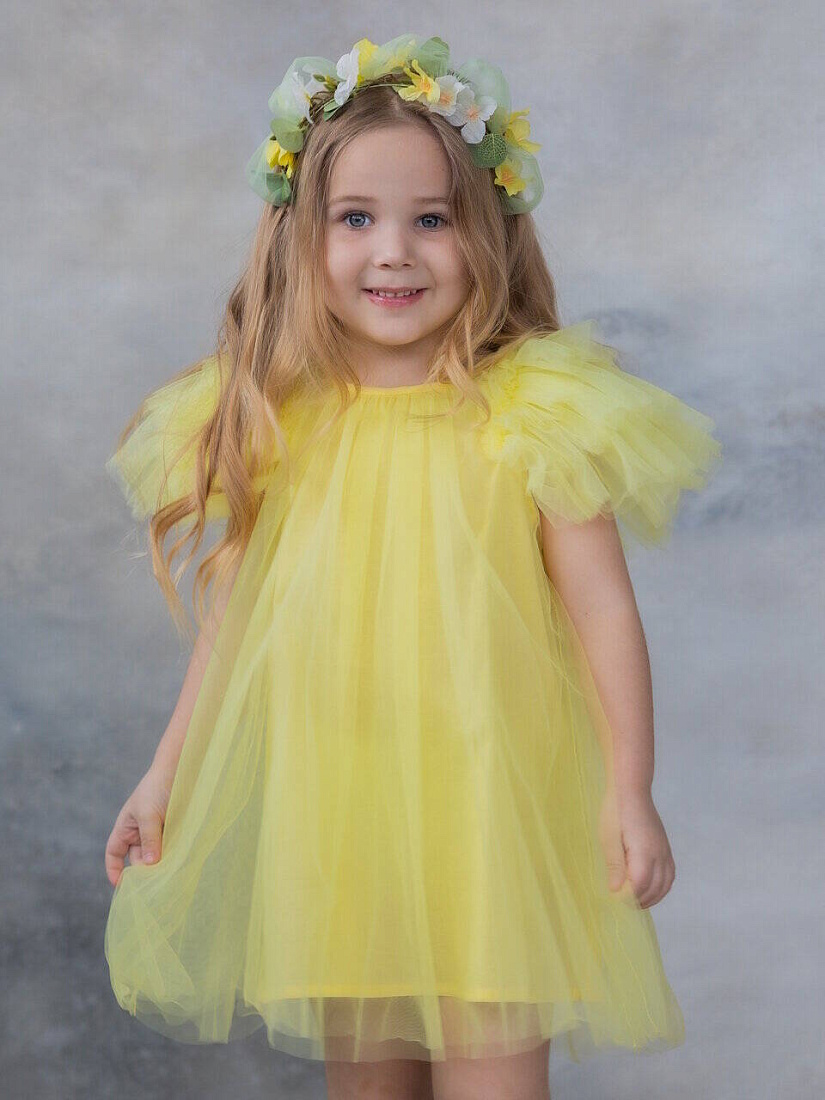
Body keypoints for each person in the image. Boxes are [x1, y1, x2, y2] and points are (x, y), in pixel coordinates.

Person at [102, 33, 722, 1100]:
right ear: (298, 234)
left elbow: (602, 613)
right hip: (339, 811)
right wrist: (167, 775)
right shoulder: (280, 421)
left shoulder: (534, 412)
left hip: (492, 810)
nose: (394, 252)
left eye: (432, 219)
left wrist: (629, 788)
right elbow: (235, 623)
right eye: (355, 218)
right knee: (370, 1081)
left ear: (487, 230)